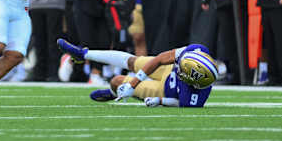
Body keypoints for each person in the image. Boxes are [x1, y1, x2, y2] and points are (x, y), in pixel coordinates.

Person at [58, 39, 217, 107]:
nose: (179, 68)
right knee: (133, 62)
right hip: (166, 70)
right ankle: (83, 54)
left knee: (116, 81)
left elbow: (181, 103)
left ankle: (115, 93)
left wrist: (159, 101)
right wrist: (135, 82)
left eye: (183, 70)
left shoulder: (196, 97)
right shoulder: (195, 51)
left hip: (165, 91)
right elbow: (161, 59)